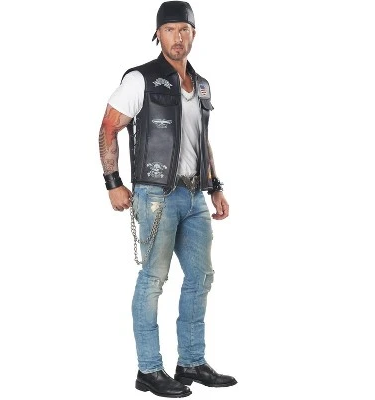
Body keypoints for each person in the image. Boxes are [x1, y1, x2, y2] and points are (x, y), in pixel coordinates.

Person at [98, 1, 237, 397]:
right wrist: (113, 183)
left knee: (201, 277)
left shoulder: (202, 85)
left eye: (184, 29)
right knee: (153, 280)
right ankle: (149, 369)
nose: (178, 36)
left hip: (194, 196)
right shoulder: (140, 79)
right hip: (155, 194)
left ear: (194, 33)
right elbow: (108, 127)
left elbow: (201, 141)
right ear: (158, 34)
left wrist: (215, 185)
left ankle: (191, 361)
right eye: (170, 29)